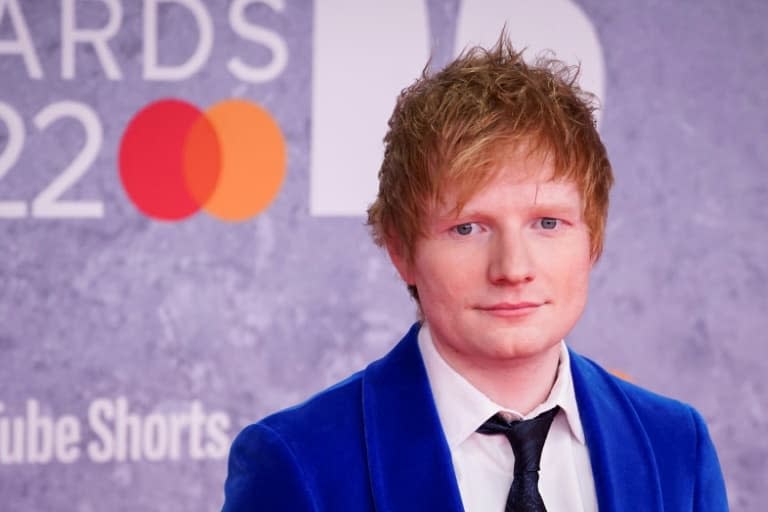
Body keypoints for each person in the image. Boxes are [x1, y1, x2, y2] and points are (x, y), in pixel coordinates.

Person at [222, 35, 728, 511]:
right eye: (468, 228)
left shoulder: (677, 445)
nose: (513, 268)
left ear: (592, 237)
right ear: (400, 250)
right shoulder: (297, 461)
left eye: (547, 223)